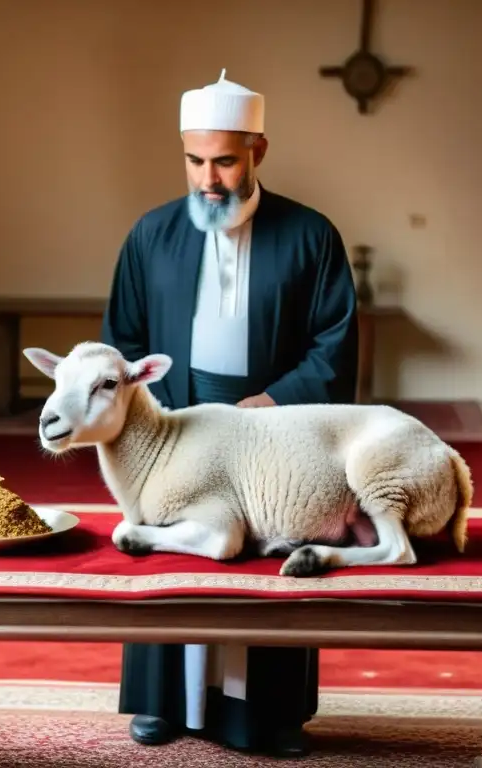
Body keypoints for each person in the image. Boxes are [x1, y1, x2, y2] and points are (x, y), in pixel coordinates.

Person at [101, 69, 359, 757]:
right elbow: (121, 344)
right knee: (172, 554)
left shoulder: (311, 236)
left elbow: (334, 344)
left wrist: (268, 405)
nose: (207, 178)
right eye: (194, 160)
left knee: (262, 557)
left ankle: (267, 714)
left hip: (269, 436)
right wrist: (154, 424)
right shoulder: (150, 235)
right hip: (172, 430)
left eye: (223, 160)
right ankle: (162, 703)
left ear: (258, 151)